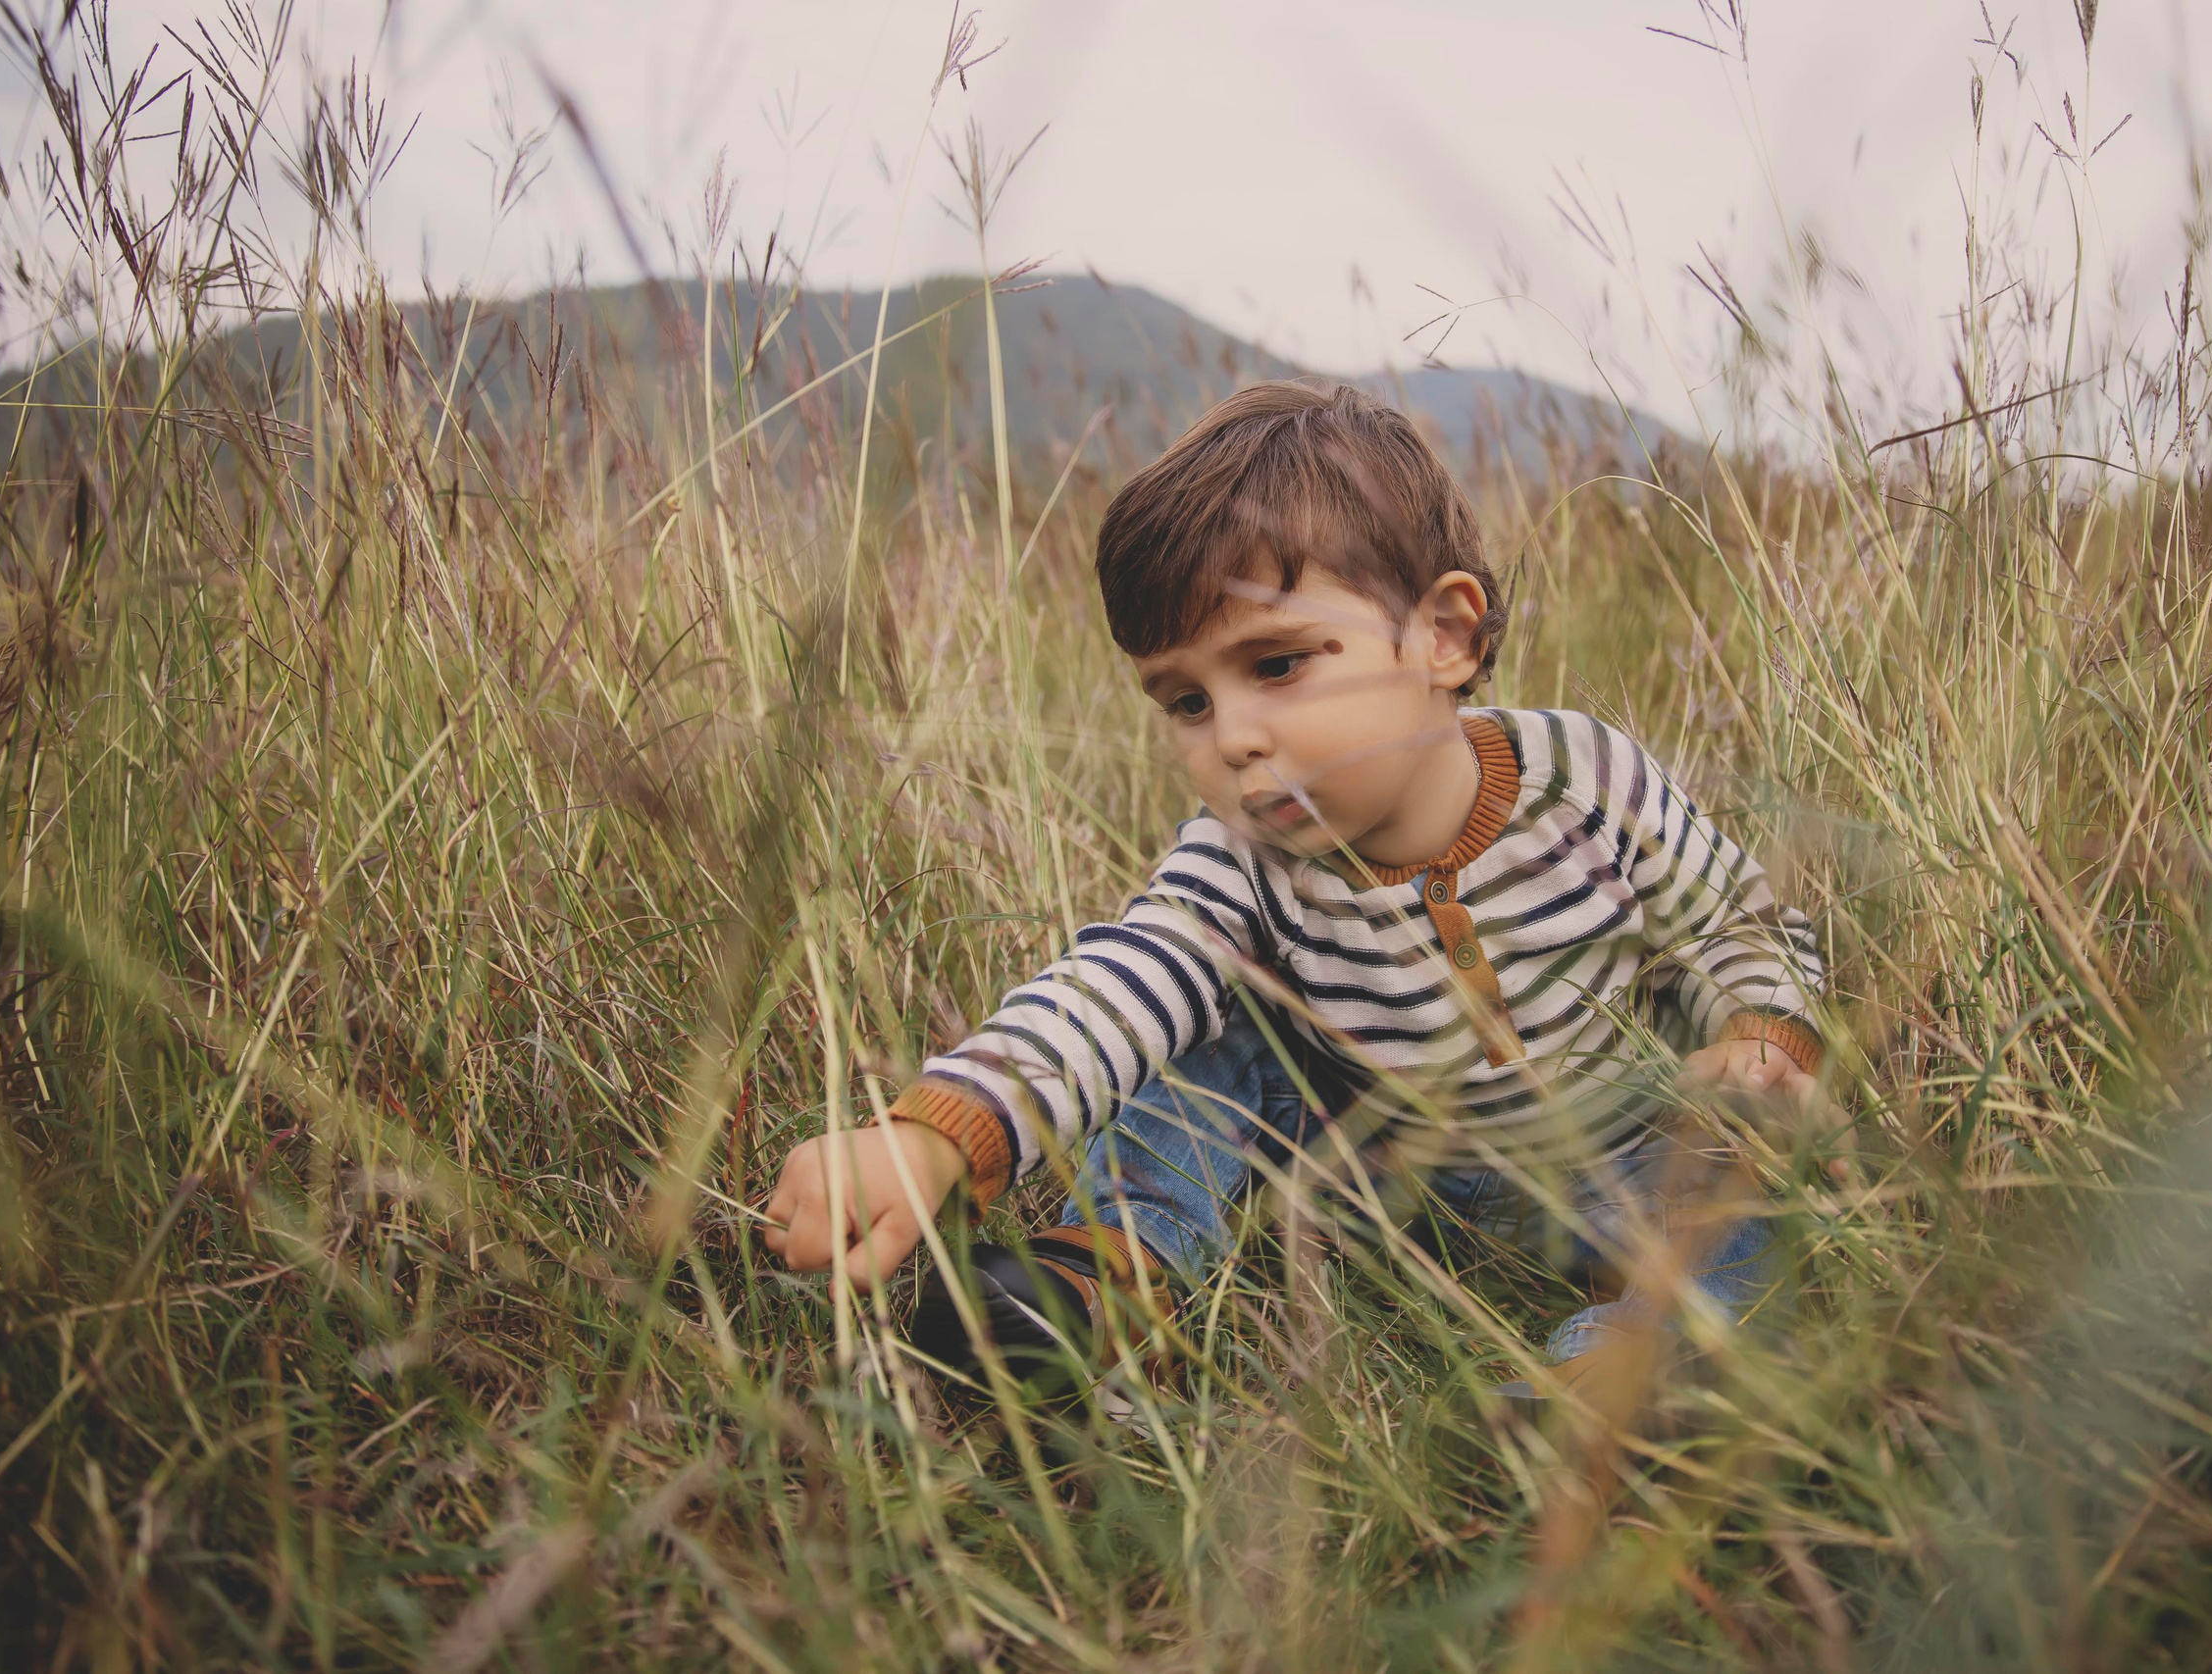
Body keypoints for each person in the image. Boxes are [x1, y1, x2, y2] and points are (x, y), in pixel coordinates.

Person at [762, 380, 1826, 1410]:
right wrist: (941, 1130)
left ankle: (1611, 1376)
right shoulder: (1237, 860)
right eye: (1184, 699)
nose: (1230, 737)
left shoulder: (1588, 781)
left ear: (1442, 637)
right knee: (1202, 1039)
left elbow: (1729, 925)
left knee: (1743, 1214)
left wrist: (1760, 1035)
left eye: (1275, 666)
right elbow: (1115, 985)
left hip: (1631, 1161)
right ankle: (1113, 1274)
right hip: (1390, 1186)